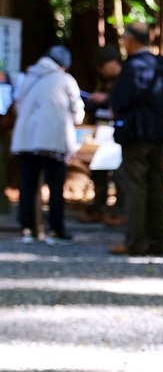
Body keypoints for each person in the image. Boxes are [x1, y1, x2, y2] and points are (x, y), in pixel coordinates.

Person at [108, 22, 163, 256]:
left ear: (129, 40)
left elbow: (120, 101)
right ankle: (158, 242)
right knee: (157, 187)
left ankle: (136, 242)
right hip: (160, 135)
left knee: (136, 187)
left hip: (136, 134)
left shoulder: (134, 66)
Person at [10, 46, 84, 244]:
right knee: (55, 185)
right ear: (63, 65)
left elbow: (18, 106)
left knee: (28, 184)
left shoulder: (28, 78)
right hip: (53, 140)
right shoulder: (65, 80)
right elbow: (78, 113)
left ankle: (28, 229)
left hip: (25, 140)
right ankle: (55, 230)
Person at [81, 45, 126, 226]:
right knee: (98, 170)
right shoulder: (105, 82)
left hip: (120, 131)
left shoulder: (127, 78)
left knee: (120, 173)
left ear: (113, 62)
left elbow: (127, 102)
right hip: (103, 130)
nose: (100, 70)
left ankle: (122, 211)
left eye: (102, 66)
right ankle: (99, 208)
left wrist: (106, 99)